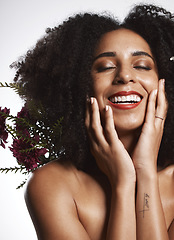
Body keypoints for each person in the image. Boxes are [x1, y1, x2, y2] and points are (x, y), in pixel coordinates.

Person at [13, 4, 174, 239]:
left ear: (165, 83)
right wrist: (124, 183)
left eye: (141, 65)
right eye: (105, 67)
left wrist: (145, 171)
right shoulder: (53, 185)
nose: (125, 76)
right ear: (79, 86)